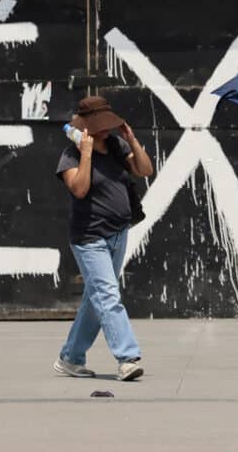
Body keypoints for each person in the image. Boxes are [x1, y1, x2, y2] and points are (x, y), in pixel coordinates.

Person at [54, 95, 154, 381]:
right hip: (89, 238)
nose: (106, 129)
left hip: (118, 233)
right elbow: (80, 189)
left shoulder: (116, 146)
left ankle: (71, 358)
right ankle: (127, 358)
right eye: (101, 125)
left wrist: (132, 140)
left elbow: (145, 169)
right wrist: (86, 154)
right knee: (108, 296)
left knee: (96, 299)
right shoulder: (70, 157)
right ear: (87, 127)